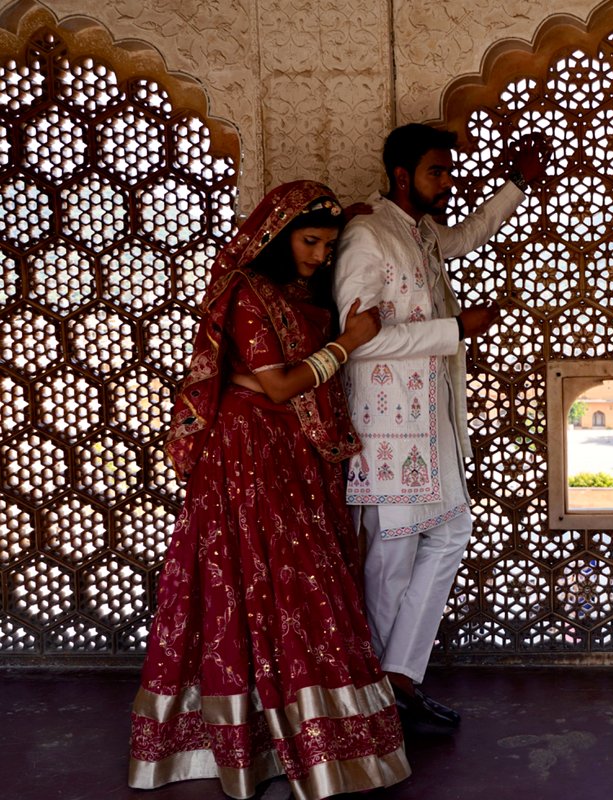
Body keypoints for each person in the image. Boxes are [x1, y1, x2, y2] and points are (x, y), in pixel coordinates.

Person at [129, 181, 410, 799]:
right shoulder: (249, 292)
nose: (320, 256)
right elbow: (280, 384)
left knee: (295, 581)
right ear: (278, 237)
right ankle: (250, 739)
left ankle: (309, 731)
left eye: (329, 245)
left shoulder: (300, 293)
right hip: (247, 452)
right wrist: (348, 342)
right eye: (309, 242)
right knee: (255, 580)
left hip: (293, 451)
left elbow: (280, 382)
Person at [334, 124, 549, 732]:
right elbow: (357, 340)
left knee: (451, 534)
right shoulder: (367, 235)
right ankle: (382, 698)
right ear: (402, 176)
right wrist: (454, 330)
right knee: (391, 558)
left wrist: (517, 184)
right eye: (437, 171)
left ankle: (399, 677)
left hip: (432, 423)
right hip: (385, 429)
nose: (448, 182)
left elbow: (471, 234)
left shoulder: (421, 232)